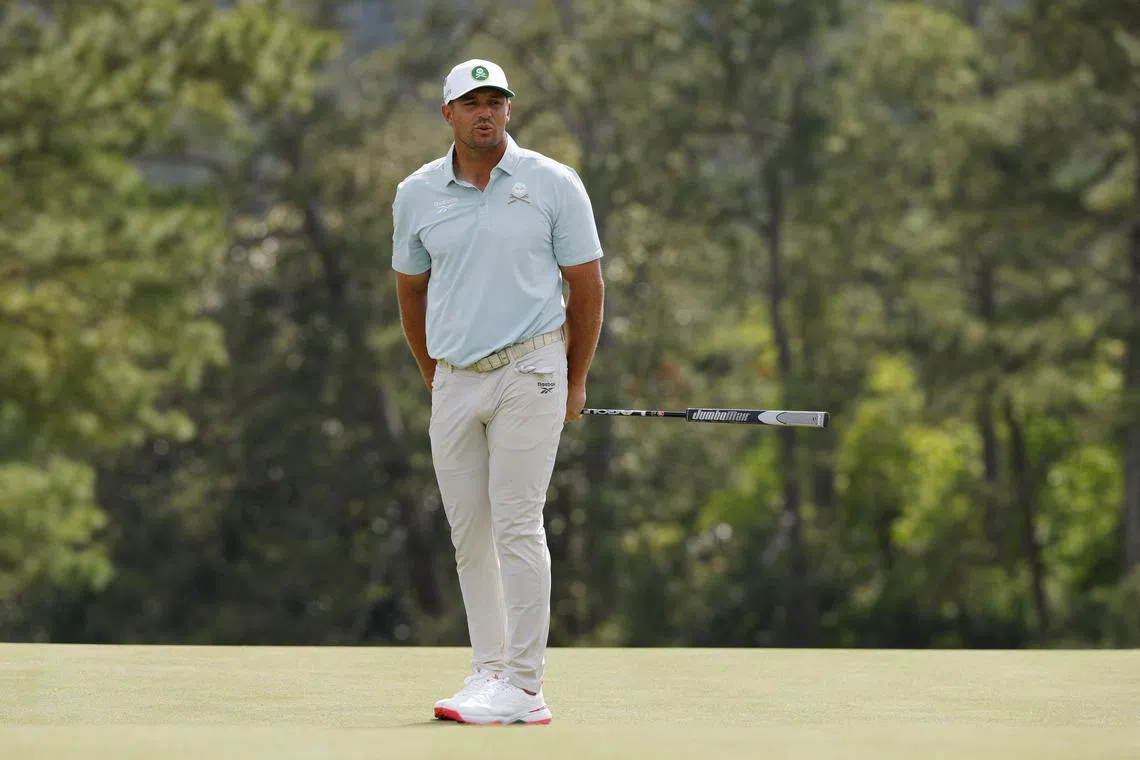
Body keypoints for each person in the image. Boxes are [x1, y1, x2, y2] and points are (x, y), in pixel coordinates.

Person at [390, 58, 605, 725]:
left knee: (516, 522)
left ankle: (525, 686)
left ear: (509, 110)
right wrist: (435, 373)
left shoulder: (551, 183)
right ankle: (488, 670)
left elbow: (588, 288)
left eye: (496, 101)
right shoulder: (417, 193)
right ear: (447, 114)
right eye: (472, 102)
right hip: (454, 379)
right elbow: (411, 291)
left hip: (531, 369)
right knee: (469, 533)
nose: (486, 111)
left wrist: (575, 378)